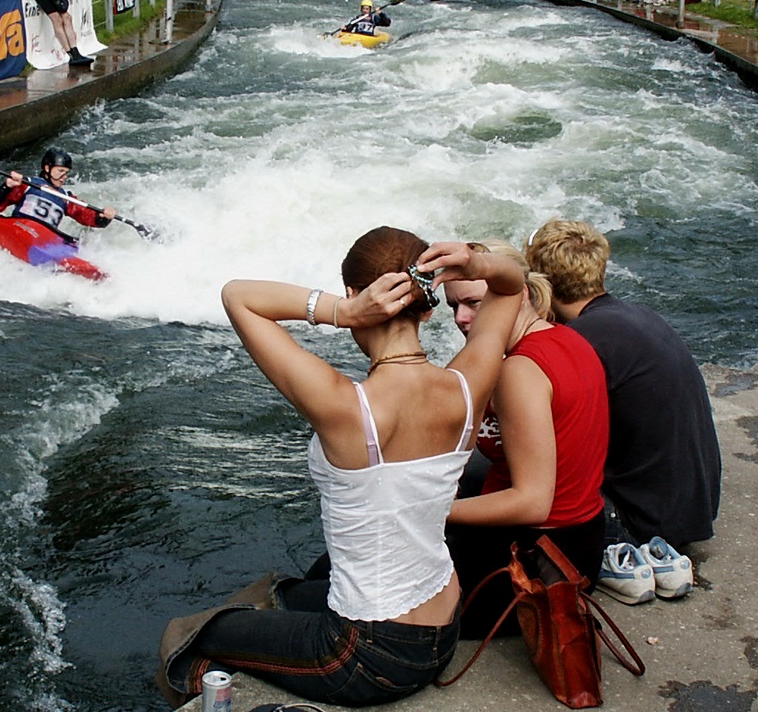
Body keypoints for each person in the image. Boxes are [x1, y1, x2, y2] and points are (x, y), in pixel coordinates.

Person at [156, 230, 525, 707]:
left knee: (199, 634)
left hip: (367, 657)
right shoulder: (467, 385)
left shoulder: (346, 408)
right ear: (430, 305)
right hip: (443, 627)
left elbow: (238, 296)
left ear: (358, 297)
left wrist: (339, 312)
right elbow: (512, 287)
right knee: (290, 593)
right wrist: (475, 261)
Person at [524, 220, 721, 553]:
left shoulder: (579, 341)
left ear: (542, 283)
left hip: (642, 521)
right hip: (693, 506)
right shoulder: (639, 315)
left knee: (508, 471)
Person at [443, 242, 609, 636]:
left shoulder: (518, 371)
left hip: (529, 562)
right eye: (453, 306)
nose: (462, 319)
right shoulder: (567, 339)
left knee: (358, 591)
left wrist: (431, 510)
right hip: (580, 546)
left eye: (474, 303)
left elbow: (534, 502)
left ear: (521, 295)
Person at [0, 147, 115, 235]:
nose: (64, 177)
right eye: (60, 171)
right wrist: (7, 186)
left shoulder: (65, 197)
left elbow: (85, 215)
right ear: (47, 168)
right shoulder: (27, 184)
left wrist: (102, 217)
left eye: (66, 173)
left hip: (44, 237)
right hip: (19, 227)